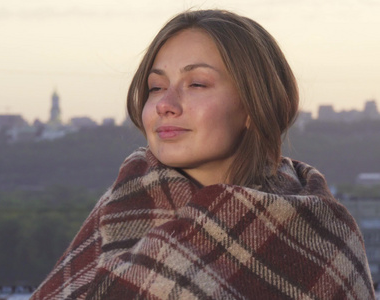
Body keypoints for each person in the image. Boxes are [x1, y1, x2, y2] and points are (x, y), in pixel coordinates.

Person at [30, 9, 375, 300]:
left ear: (255, 106)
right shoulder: (118, 212)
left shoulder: (325, 237)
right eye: (156, 87)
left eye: (196, 84)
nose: (165, 104)